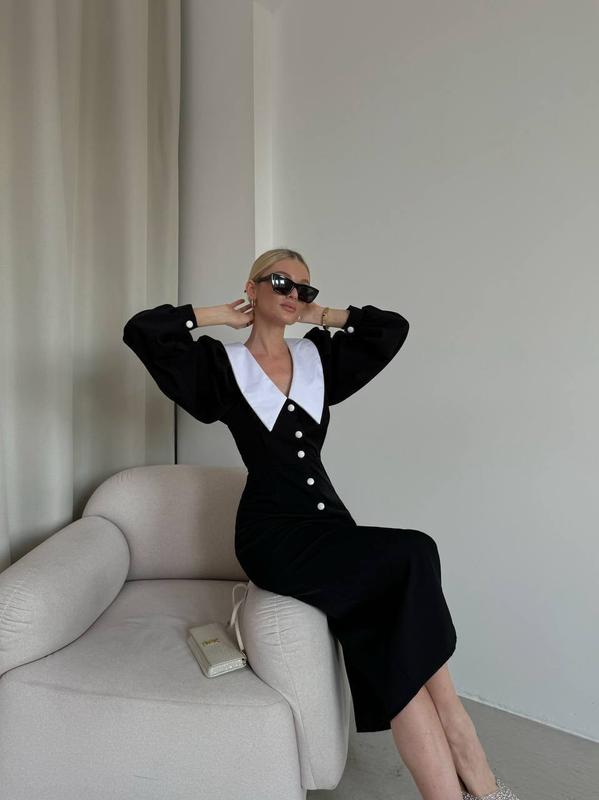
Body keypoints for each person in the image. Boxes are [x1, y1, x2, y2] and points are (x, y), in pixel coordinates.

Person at [122, 248, 520, 800]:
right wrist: (218, 314)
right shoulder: (220, 368)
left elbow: (390, 329)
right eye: (281, 282)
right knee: (416, 549)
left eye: (305, 288)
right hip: (271, 535)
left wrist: (323, 315)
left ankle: (451, 793)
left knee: (384, 641)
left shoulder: (318, 359)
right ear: (253, 287)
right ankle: (462, 734)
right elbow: (144, 331)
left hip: (331, 526)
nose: (294, 294)